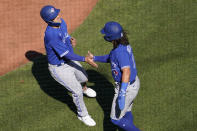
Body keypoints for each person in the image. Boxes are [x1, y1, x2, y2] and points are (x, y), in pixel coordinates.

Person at [40, 5, 98, 126]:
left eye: (57, 13)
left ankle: (85, 89)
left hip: (69, 59)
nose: (58, 16)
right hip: (59, 68)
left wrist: (70, 40)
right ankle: (83, 115)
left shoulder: (62, 22)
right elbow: (66, 55)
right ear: (49, 21)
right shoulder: (51, 35)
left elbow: (65, 36)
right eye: (55, 16)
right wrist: (84, 59)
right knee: (76, 91)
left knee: (83, 77)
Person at [88, 21, 141, 130]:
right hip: (131, 85)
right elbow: (113, 59)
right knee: (126, 111)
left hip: (126, 88)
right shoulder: (122, 44)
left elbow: (126, 71)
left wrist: (122, 92)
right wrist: (95, 58)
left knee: (115, 119)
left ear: (110, 37)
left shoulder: (119, 52)